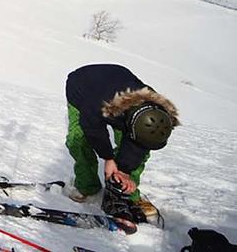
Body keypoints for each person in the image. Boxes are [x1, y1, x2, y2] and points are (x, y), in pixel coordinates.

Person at [64, 63, 179, 222]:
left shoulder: (156, 110)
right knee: (78, 140)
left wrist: (124, 170)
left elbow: (139, 144)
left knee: (139, 147)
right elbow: (92, 127)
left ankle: (126, 192)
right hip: (81, 88)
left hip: (120, 93)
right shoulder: (97, 103)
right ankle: (87, 186)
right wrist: (108, 158)